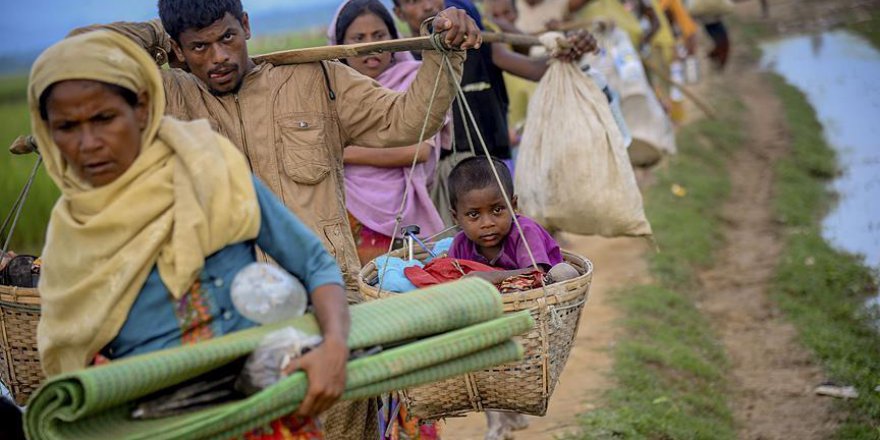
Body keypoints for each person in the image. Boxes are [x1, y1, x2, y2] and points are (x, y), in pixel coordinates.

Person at [69, 4, 480, 436]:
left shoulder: (313, 77)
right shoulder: (165, 99)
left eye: (227, 37)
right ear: (177, 49)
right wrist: (157, 36)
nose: (218, 57)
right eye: (199, 46)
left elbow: (405, 122)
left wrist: (443, 52)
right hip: (224, 326)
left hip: (324, 306)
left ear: (246, 25)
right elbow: (82, 55)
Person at [29, 30, 350, 437]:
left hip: (266, 411)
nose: (87, 143)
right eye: (66, 127)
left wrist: (335, 347)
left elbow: (314, 263)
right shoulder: (69, 236)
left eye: (104, 118)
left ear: (142, 107)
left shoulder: (209, 166)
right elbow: (70, 361)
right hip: (161, 428)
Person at [392, 0, 596, 227]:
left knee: (505, 238)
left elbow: (536, 68)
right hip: (437, 176)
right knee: (452, 250)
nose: (427, 5)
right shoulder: (401, 61)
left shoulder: (476, 39)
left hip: (493, 161)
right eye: (412, 1)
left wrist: (571, 50)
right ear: (398, 13)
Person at [445, 156, 562, 439]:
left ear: (514, 204)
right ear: (455, 217)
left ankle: (509, 415)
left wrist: (492, 277)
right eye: (474, 215)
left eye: (498, 210)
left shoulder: (525, 231)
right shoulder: (460, 244)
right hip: (491, 319)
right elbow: (451, 280)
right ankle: (498, 422)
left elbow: (538, 274)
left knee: (564, 272)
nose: (488, 223)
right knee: (486, 363)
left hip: (536, 311)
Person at [328, 0, 448, 266]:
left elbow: (416, 150)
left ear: (395, 40)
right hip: (347, 209)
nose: (372, 46)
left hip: (403, 211)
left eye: (379, 36)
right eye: (359, 38)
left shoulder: (416, 81)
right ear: (340, 46)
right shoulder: (330, 95)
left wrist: (340, 151)